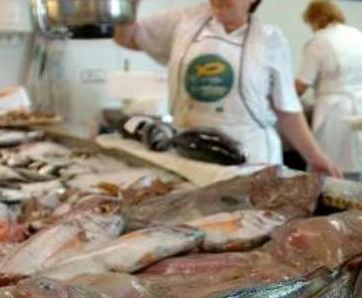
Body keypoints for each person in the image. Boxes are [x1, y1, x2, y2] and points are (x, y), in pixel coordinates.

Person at [114, 0, 342, 177]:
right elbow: (125, 38)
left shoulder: (270, 40)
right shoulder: (183, 22)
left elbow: (287, 109)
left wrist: (315, 157)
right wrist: (130, 4)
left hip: (251, 164)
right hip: (188, 156)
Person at [295, 0, 362, 182]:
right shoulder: (357, 35)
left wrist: (278, 100)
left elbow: (301, 84)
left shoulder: (319, 40)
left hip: (335, 113)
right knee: (357, 176)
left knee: (329, 174)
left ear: (314, 19)